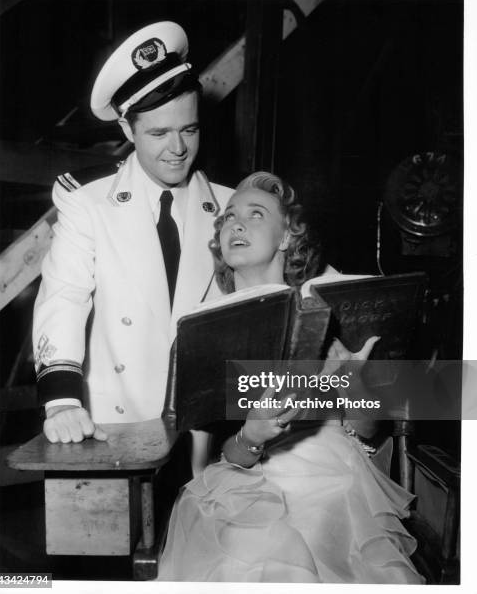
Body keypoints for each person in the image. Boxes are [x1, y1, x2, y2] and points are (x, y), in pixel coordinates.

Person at [158, 172, 425, 584]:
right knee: (249, 554)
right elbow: (219, 457)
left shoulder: (327, 306)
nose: (237, 224)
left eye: (255, 214)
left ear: (286, 237)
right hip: (247, 481)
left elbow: (367, 432)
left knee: (314, 540)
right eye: (228, 218)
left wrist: (353, 380)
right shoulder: (204, 325)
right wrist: (252, 436)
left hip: (332, 478)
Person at [32, 22, 233, 443]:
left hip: (208, 428)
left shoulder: (233, 205)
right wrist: (62, 400)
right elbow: (65, 294)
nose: (177, 149)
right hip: (116, 423)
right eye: (158, 133)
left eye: (189, 130)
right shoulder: (89, 202)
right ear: (127, 130)